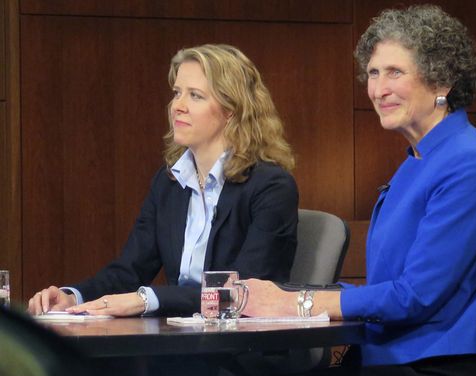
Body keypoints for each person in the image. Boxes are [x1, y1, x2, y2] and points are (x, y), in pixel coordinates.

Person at [240, 5, 476, 376]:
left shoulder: (467, 163)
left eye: (394, 72)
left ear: (441, 79)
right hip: (388, 362)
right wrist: (287, 296)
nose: (378, 89)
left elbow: (414, 296)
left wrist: (298, 305)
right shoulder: (418, 161)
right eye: (372, 73)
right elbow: (390, 288)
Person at [28, 44, 298, 318]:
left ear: (232, 109)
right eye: (177, 93)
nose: (177, 106)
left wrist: (146, 299)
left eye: (195, 96)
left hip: (241, 350)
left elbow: (241, 292)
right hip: (179, 341)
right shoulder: (169, 181)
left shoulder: (271, 187)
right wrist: (72, 297)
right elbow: (130, 270)